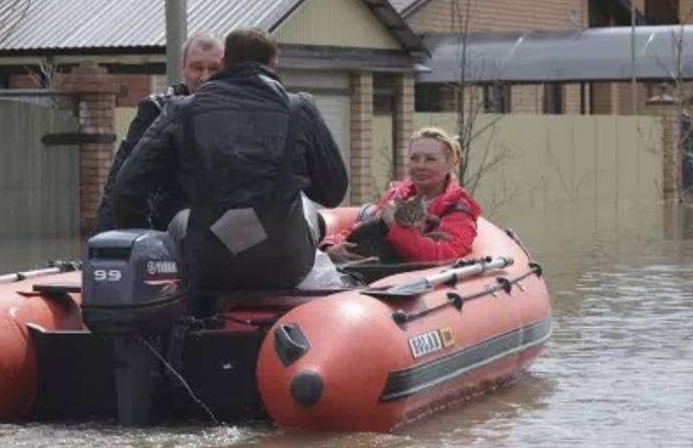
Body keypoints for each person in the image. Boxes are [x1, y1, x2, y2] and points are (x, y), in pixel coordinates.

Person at [113, 27, 348, 298]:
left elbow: (126, 188)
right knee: (309, 209)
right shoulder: (299, 108)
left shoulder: (183, 110)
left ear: (225, 63)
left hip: (208, 266)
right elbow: (333, 192)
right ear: (274, 63)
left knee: (181, 219)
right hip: (285, 264)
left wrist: (149, 253)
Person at [95, 32, 224, 232]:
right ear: (183, 69)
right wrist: (104, 246)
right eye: (197, 67)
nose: (205, 77)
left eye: (214, 69)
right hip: (168, 235)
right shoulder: (157, 111)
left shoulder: (240, 117)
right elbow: (120, 183)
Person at [323, 127, 480, 264]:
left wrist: (394, 225)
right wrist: (330, 246)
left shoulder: (457, 209)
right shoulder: (397, 195)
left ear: (450, 163)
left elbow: (443, 255)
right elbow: (365, 226)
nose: (420, 166)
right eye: (414, 158)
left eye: (430, 159)